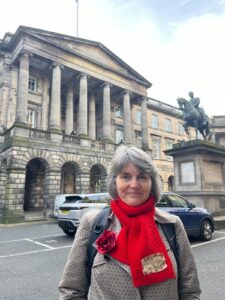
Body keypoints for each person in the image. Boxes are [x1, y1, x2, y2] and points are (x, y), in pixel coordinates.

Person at [59, 145, 201, 300]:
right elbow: (72, 291)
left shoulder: (172, 225)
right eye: (126, 176)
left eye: (142, 177)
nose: (134, 185)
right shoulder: (92, 223)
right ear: (115, 182)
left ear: (151, 183)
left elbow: (190, 292)